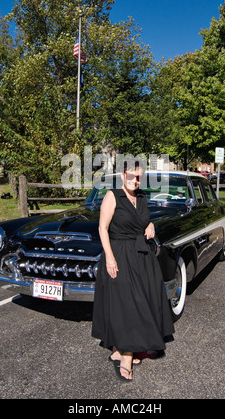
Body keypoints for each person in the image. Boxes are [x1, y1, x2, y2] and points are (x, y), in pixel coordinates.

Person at [92, 161, 175, 382]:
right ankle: (126, 357)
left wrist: (151, 226)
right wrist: (109, 257)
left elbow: (144, 221)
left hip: (141, 256)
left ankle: (119, 349)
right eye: (131, 176)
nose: (135, 181)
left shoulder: (142, 197)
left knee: (138, 300)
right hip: (119, 254)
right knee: (126, 302)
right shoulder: (113, 196)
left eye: (138, 177)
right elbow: (102, 228)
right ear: (122, 174)